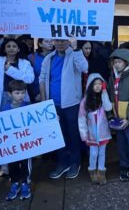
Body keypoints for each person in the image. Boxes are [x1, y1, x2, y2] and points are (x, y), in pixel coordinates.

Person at [0, 37, 34, 176]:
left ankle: (22, 163)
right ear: (4, 48)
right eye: (8, 46)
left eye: (14, 46)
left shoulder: (25, 62)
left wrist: (9, 69)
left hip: (20, 100)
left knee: (19, 133)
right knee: (3, 134)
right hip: (2, 99)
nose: (11, 48)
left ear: (18, 49)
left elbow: (29, 79)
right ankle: (4, 165)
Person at [40, 37, 88, 179]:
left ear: (68, 41)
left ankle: (75, 163)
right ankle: (63, 163)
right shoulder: (48, 58)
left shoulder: (74, 55)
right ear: (54, 41)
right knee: (58, 136)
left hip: (71, 104)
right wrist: (44, 101)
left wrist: (77, 49)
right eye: (57, 40)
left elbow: (84, 68)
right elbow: (42, 79)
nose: (60, 43)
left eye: (63, 40)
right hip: (52, 105)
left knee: (73, 135)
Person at [107, 49, 129, 181]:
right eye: (115, 62)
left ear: (126, 62)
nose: (117, 64)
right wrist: (110, 115)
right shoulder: (113, 77)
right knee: (121, 145)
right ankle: (124, 165)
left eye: (119, 61)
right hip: (117, 118)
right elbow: (110, 97)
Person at [78, 73, 112, 185]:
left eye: (100, 83)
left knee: (102, 153)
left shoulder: (102, 97)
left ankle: (101, 172)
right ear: (90, 85)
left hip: (103, 133)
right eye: (95, 84)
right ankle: (92, 170)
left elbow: (108, 107)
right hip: (92, 134)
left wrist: (104, 92)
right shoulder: (85, 101)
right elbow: (81, 119)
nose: (97, 86)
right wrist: (84, 135)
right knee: (93, 154)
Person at [2, 80, 32, 201]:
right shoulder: (4, 109)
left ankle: (25, 183)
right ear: (10, 94)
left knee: (25, 163)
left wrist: (53, 119)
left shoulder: (28, 106)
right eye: (17, 93)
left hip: (26, 144)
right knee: (12, 164)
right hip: (12, 145)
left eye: (23, 93)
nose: (21, 96)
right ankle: (15, 183)